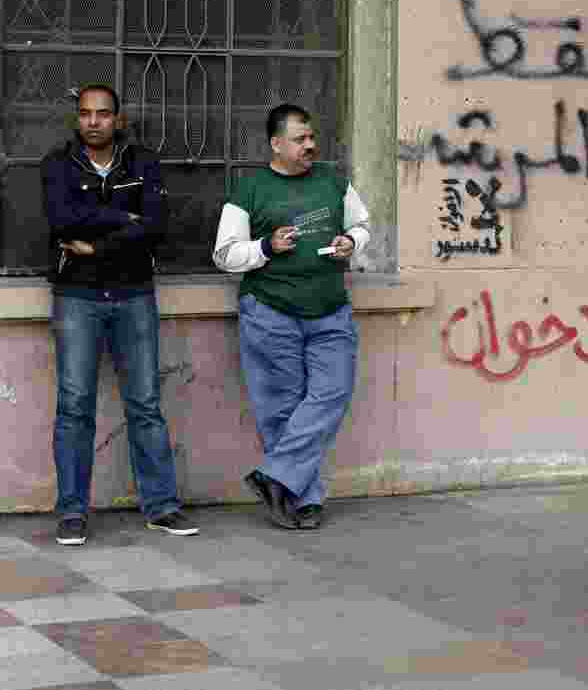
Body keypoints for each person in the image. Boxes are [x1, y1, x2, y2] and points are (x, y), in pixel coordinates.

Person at [43, 84, 199, 546]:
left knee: (146, 404)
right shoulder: (57, 165)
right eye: (86, 114)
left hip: (133, 295)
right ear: (78, 119)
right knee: (74, 406)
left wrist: (98, 243)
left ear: (118, 119)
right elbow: (61, 220)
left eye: (103, 114)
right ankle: (72, 512)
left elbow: (157, 225)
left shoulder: (143, 163)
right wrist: (124, 221)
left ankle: (162, 507)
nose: (94, 122)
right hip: (77, 296)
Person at [212, 103, 370, 530]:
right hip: (271, 311)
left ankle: (275, 475)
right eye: (300, 139)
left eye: (311, 137)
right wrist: (265, 247)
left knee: (332, 393)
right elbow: (224, 255)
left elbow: (363, 226)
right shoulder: (250, 190)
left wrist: (350, 243)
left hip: (330, 308)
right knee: (281, 408)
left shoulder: (334, 183)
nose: (310, 146)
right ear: (276, 144)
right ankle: (302, 499)